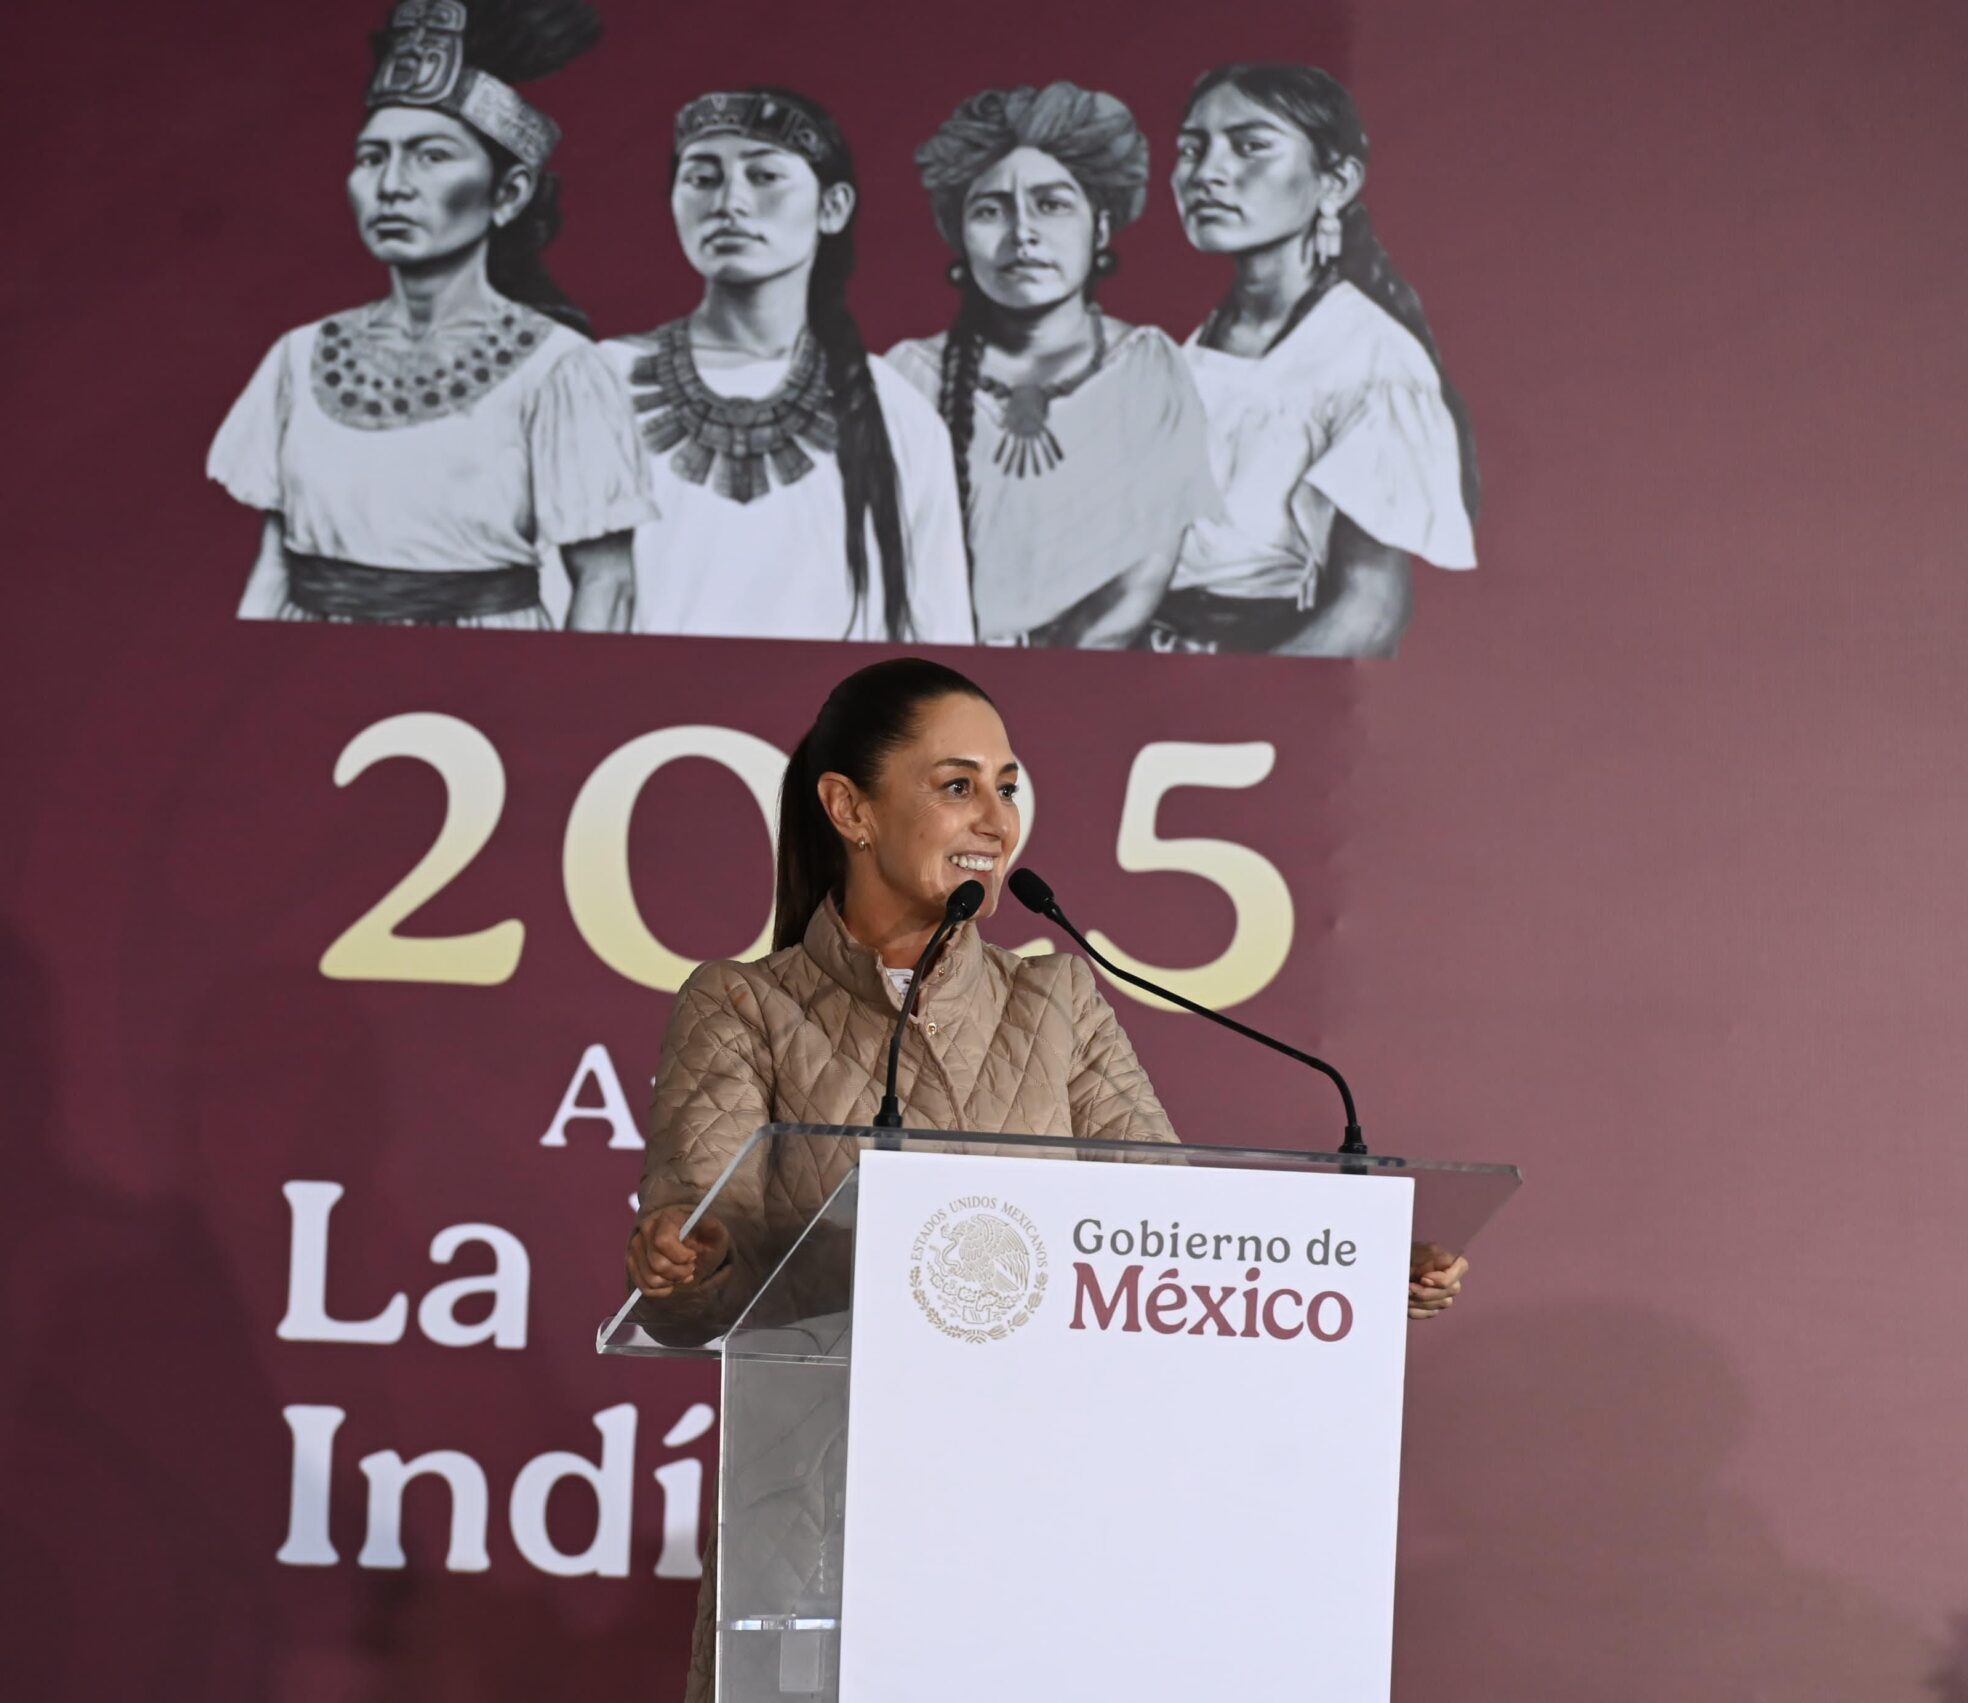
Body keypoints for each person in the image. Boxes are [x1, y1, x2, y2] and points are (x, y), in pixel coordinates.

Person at [624, 656, 1469, 1701]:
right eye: (956, 784)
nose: (995, 814)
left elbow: (1170, 1243)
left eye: (1007, 783)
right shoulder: (743, 1004)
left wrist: (1347, 1276)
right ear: (847, 805)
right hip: (824, 1524)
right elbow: (706, 1271)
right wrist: (683, 1260)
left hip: (1047, 1527)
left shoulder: (1056, 996)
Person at [205, 0, 652, 630]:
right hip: (308, 673)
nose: (392, 184)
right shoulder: (297, 357)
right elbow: (274, 565)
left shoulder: (560, 370)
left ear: (509, 193)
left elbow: (607, 583)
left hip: (490, 680)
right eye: (371, 157)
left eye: (430, 155)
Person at [595, 90, 974, 643]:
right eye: (702, 178)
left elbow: (939, 640)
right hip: (637, 724)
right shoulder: (601, 381)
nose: (731, 202)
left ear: (833, 207)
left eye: (765, 176)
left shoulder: (898, 412)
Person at [1153, 62, 1480, 657]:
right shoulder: (1183, 351)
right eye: (1191, 150)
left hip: (1260, 674)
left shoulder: (1371, 360)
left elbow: (1370, 612)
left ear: (1335, 183)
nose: (1208, 173)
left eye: (1250, 146)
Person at [889, 83, 1221, 648]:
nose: (1023, 234)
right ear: (959, 238)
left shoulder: (1146, 368)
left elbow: (1138, 582)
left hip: (1092, 685)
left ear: (1101, 228)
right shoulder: (906, 378)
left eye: (1052, 205)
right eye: (991, 210)